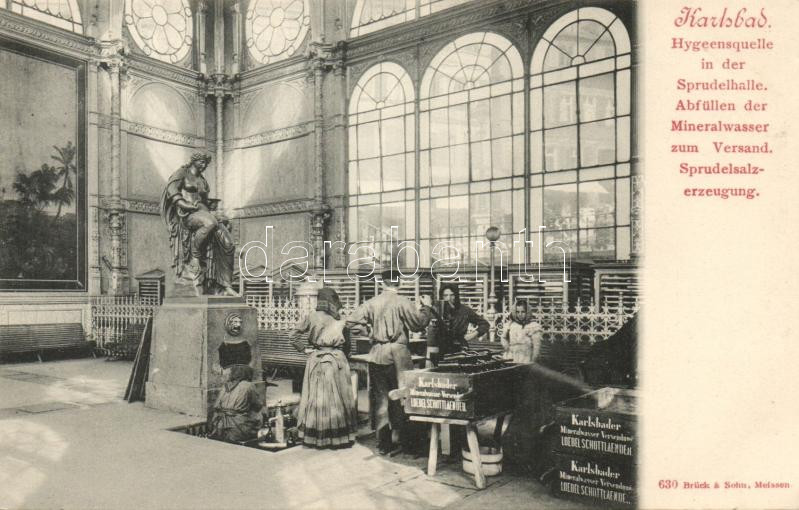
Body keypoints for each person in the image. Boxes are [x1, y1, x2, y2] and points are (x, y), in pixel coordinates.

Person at [347, 270, 433, 455]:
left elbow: (351, 322)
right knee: (403, 397)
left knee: (381, 400)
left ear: (382, 283)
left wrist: (369, 332)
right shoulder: (403, 301)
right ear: (399, 283)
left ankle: (384, 444)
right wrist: (426, 307)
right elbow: (419, 323)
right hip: (398, 356)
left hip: (377, 354)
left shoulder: (372, 302)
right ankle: (407, 443)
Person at [160, 152, 237, 296]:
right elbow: (172, 191)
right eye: (201, 162)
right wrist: (186, 205)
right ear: (193, 161)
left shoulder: (202, 180)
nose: (204, 165)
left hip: (204, 212)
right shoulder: (181, 173)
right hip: (187, 215)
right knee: (210, 222)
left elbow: (204, 201)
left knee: (228, 243)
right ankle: (194, 258)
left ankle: (225, 285)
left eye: (206, 163)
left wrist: (210, 205)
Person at [290, 288, 358, 448]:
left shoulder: (312, 316)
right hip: (336, 360)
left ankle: (316, 436)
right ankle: (339, 436)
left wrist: (304, 349)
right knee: (338, 397)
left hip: (317, 359)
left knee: (316, 397)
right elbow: (349, 343)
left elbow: (293, 335)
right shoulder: (340, 319)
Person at [427, 283, 489, 366]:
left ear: (456, 295)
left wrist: (472, 335)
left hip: (459, 350)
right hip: (440, 349)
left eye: (452, 295)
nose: (448, 298)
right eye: (445, 295)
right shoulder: (436, 310)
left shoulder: (464, 310)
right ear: (441, 297)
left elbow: (485, 324)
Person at [209, 364, 265, 443]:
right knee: (258, 416)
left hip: (219, 427)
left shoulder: (225, 386)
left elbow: (216, 406)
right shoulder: (248, 385)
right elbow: (258, 405)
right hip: (239, 428)